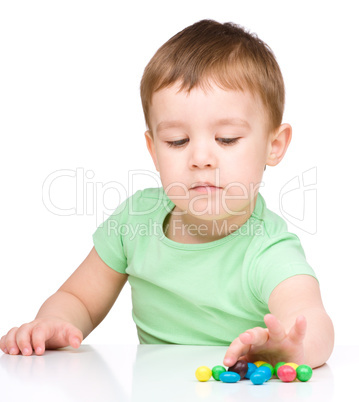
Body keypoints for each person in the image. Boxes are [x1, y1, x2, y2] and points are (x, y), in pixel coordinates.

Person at [0, 19, 334, 368]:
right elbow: (78, 298)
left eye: (227, 139)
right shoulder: (137, 220)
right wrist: (56, 322)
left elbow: (311, 321)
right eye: (177, 141)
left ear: (274, 145)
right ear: (154, 149)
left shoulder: (268, 248)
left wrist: (294, 349)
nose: (201, 158)